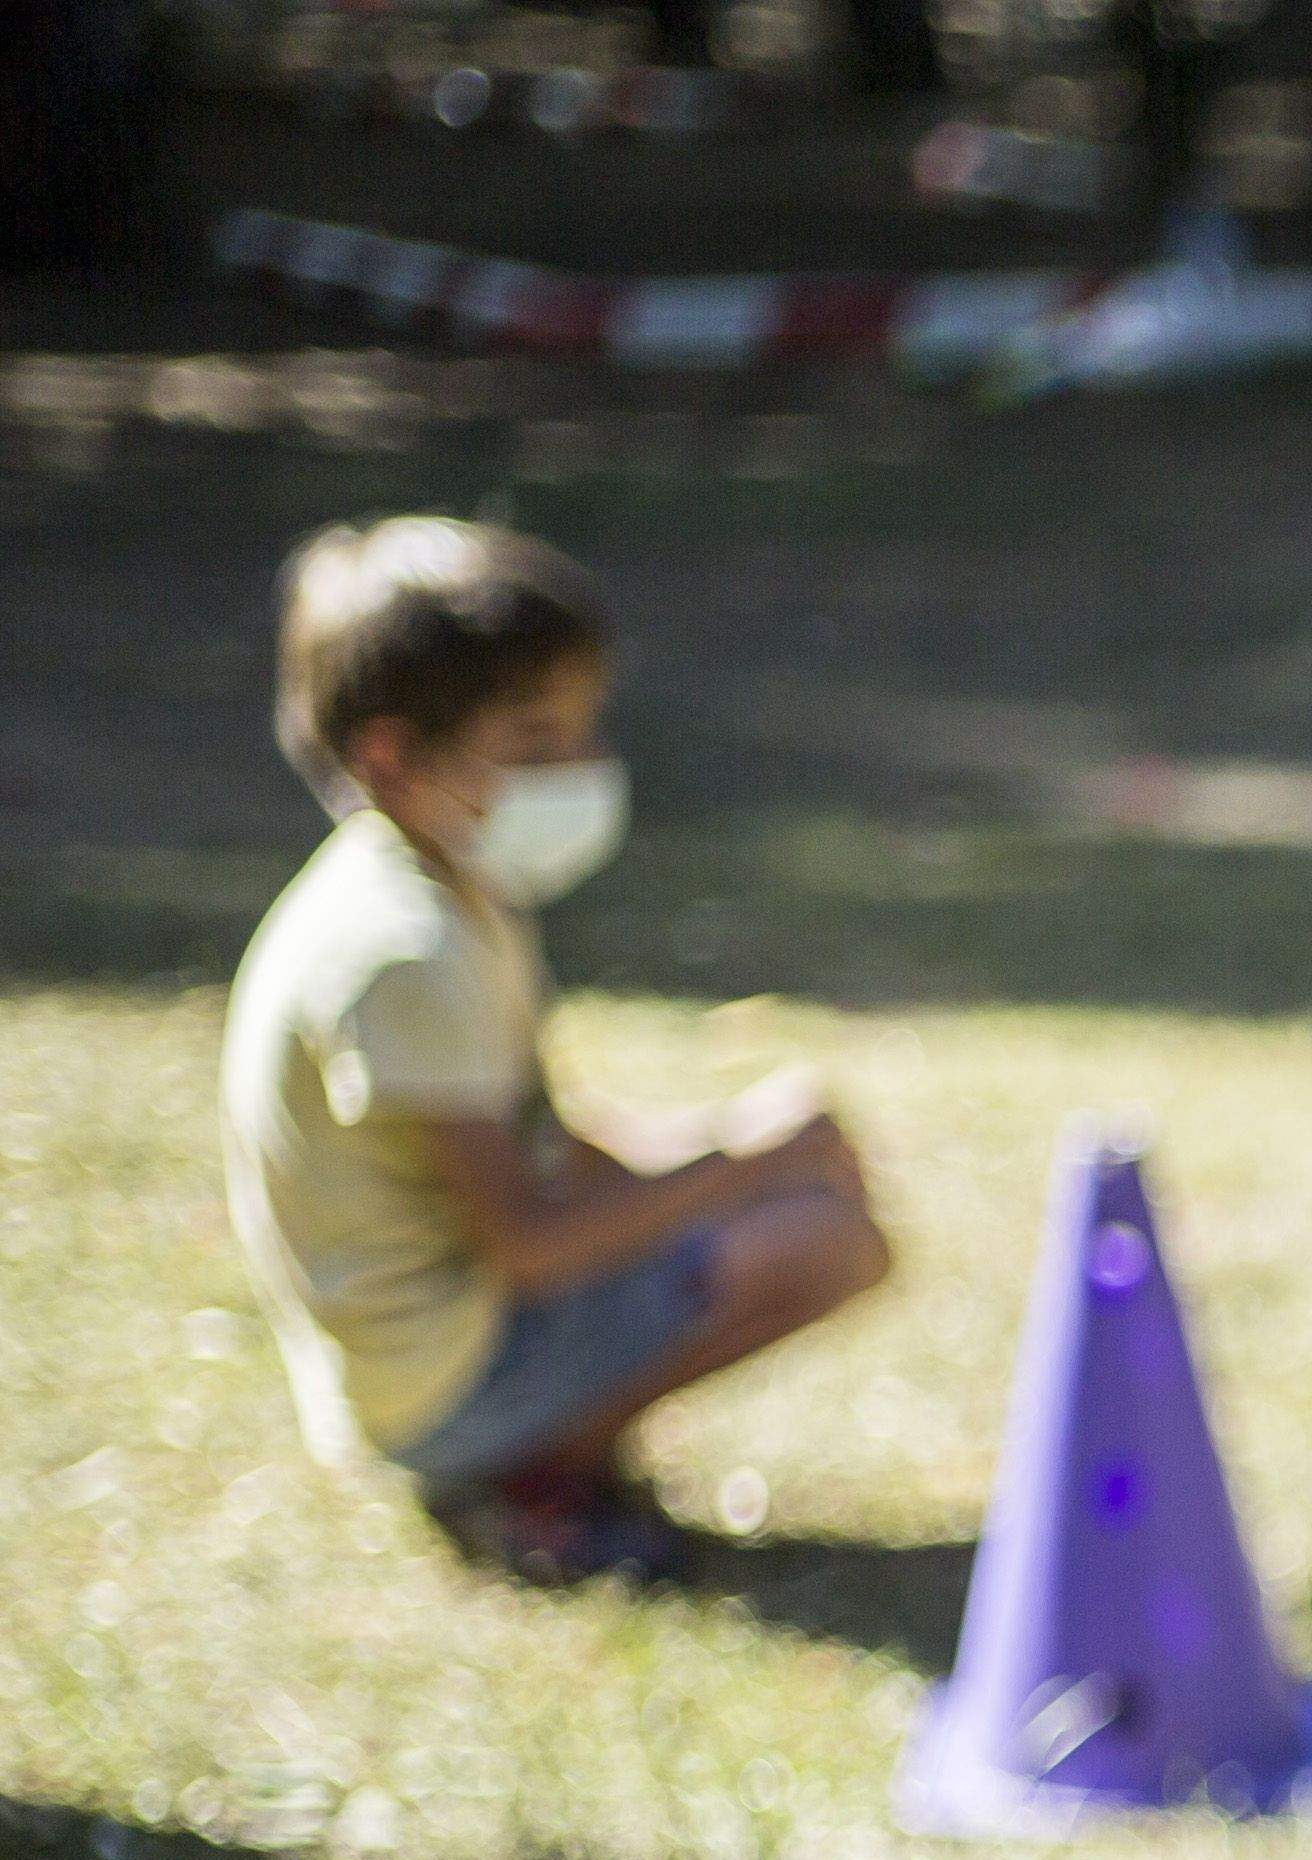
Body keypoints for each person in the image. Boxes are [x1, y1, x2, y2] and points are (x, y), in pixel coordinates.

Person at [220, 518, 894, 1589]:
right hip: (435, 1386)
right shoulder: (402, 949)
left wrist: (740, 1149)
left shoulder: (449, 888)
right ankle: (522, 1475)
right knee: (819, 1242)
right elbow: (527, 1241)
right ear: (392, 755)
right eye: (537, 743)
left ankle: (538, 1450)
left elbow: (550, 1149)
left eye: (587, 729)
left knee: (795, 1206)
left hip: (449, 1342)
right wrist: (746, 1163)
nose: (583, 767)